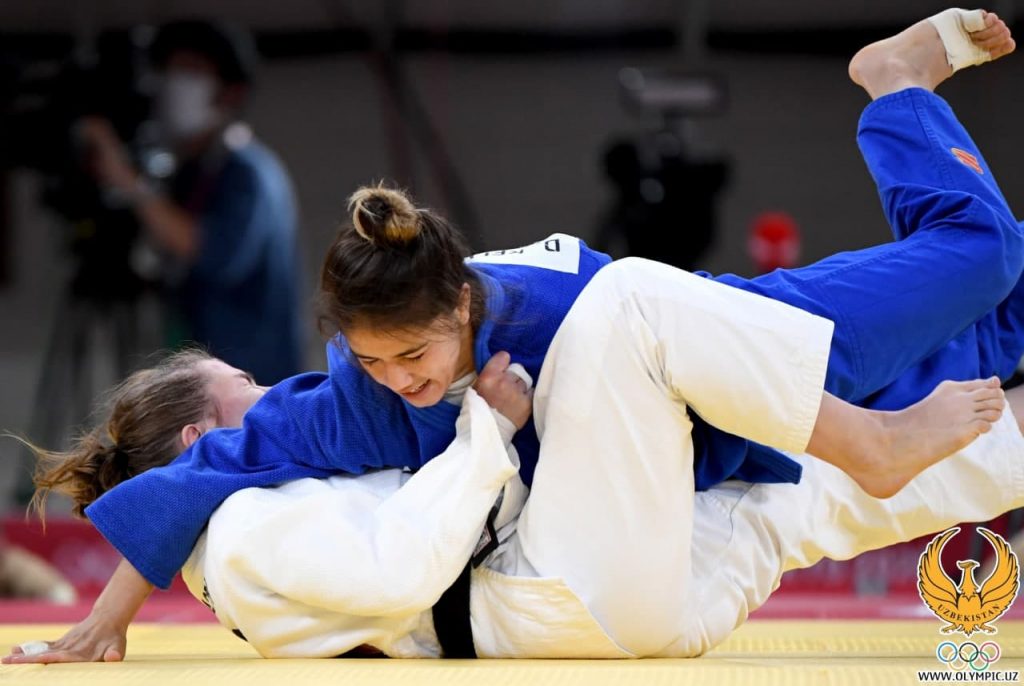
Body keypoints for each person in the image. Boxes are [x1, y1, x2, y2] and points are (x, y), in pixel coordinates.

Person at [6, 5, 1021, 663]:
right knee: (981, 294)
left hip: (729, 350)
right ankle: (895, 120)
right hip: (674, 466)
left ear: (459, 310)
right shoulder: (340, 406)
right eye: (375, 362)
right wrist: (105, 618)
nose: (398, 382)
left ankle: (893, 87)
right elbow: (196, 475)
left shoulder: (525, 301)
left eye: (413, 357)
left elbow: (659, 324)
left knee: (985, 273)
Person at [81, 20, 303, 385]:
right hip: (203, 388)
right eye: (170, 70)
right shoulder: (192, 175)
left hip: (253, 388)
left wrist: (126, 179)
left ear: (230, 91)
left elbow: (211, 251)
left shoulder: (247, 172)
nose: (174, 84)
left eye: (191, 71)